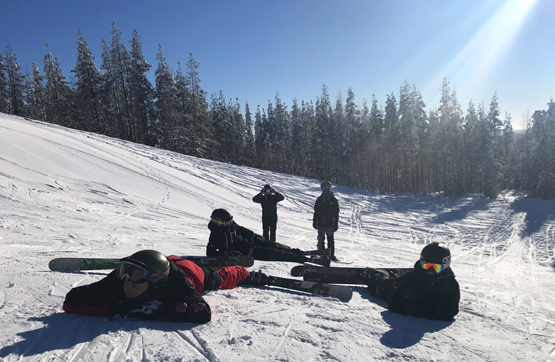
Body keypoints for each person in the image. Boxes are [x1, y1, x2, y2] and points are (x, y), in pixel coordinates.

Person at [62, 249, 251, 323]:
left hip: (191, 272)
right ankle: (171, 258)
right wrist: (122, 306)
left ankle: (244, 272)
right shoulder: (122, 277)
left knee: (218, 277)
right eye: (125, 272)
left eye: (136, 276)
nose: (128, 281)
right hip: (166, 261)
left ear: (155, 280)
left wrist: (163, 311)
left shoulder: (179, 284)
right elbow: (71, 301)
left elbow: (202, 313)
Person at [367, 242, 460, 321]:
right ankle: (374, 275)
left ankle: (390, 276)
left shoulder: (450, 284)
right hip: (400, 284)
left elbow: (450, 312)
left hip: (410, 292)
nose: (430, 271)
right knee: (378, 287)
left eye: (436, 268)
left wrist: (413, 307)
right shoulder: (411, 278)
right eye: (426, 266)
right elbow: (393, 303)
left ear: (446, 266)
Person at [207, 208, 330, 266]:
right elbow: (210, 253)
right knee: (274, 252)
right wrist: (228, 253)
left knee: (273, 244)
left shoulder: (230, 225)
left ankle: (300, 252)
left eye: (230, 221)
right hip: (249, 252)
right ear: (218, 222)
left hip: (251, 242)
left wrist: (255, 237)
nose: (230, 223)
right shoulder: (215, 234)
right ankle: (305, 259)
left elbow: (241, 230)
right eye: (226, 222)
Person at [313, 181, 340, 261]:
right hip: (321, 222)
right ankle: (322, 254)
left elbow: (336, 213)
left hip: (330, 223)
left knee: (330, 240)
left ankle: (331, 255)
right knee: (320, 239)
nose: (325, 189)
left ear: (330, 188)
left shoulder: (333, 200)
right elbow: (316, 211)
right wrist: (315, 221)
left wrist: (336, 223)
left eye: (327, 188)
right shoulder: (319, 199)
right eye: (324, 188)